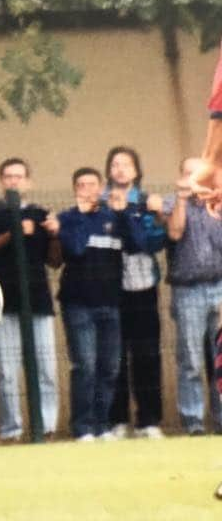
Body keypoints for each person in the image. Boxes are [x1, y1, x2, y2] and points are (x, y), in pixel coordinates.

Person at [58, 167, 153, 441]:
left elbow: (137, 245)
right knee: (85, 366)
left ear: (101, 188)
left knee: (109, 367)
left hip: (111, 303)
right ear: (75, 189)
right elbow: (74, 248)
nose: (87, 190)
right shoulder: (69, 218)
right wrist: (86, 215)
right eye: (81, 185)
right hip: (78, 305)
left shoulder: (113, 217)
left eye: (92, 184)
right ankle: (83, 428)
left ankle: (102, 425)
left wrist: (122, 213)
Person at [0, 158, 61, 441]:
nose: (14, 181)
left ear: (29, 181)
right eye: (8, 176)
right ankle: (11, 430)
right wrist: (15, 230)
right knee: (7, 372)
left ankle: (47, 426)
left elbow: (54, 261)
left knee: (46, 369)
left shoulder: (41, 213)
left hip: (38, 302)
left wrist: (53, 235)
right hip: (2, 304)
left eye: (19, 176)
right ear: (1, 181)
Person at [103, 146, 166, 439]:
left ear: (136, 171)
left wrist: (131, 213)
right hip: (110, 290)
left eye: (126, 164)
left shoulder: (148, 202)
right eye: (115, 164)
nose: (120, 169)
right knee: (114, 357)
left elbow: (151, 242)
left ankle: (149, 420)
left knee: (147, 355)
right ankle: (117, 421)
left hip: (143, 288)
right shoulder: (99, 203)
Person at [163, 157, 222, 435]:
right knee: (190, 359)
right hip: (188, 291)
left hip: (219, 287)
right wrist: (183, 199)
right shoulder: (171, 204)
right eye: (189, 173)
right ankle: (193, 421)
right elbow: (174, 232)